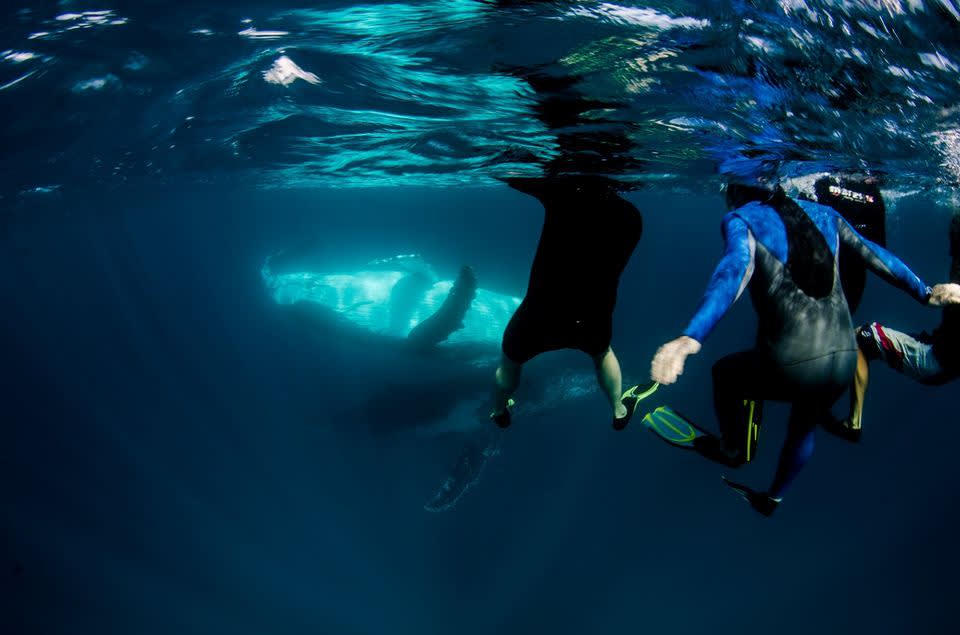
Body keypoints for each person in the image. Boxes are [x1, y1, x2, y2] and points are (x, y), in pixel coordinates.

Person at [649, 183, 960, 517]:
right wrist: (925, 293)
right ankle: (773, 498)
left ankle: (734, 451)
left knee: (725, 374)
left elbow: (734, 269)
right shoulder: (826, 213)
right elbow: (876, 255)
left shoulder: (742, 218)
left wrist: (691, 337)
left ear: (735, 193)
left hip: (792, 365)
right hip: (844, 360)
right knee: (804, 423)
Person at [490, 175, 646, 430]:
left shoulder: (562, 193)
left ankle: (499, 411)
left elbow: (511, 175)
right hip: (593, 313)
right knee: (602, 353)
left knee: (510, 361)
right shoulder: (632, 216)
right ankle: (619, 410)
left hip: (541, 312)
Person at [826, 207, 960, 441]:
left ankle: (853, 423)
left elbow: (935, 296)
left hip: (933, 362)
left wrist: (937, 293)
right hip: (941, 350)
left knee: (862, 337)